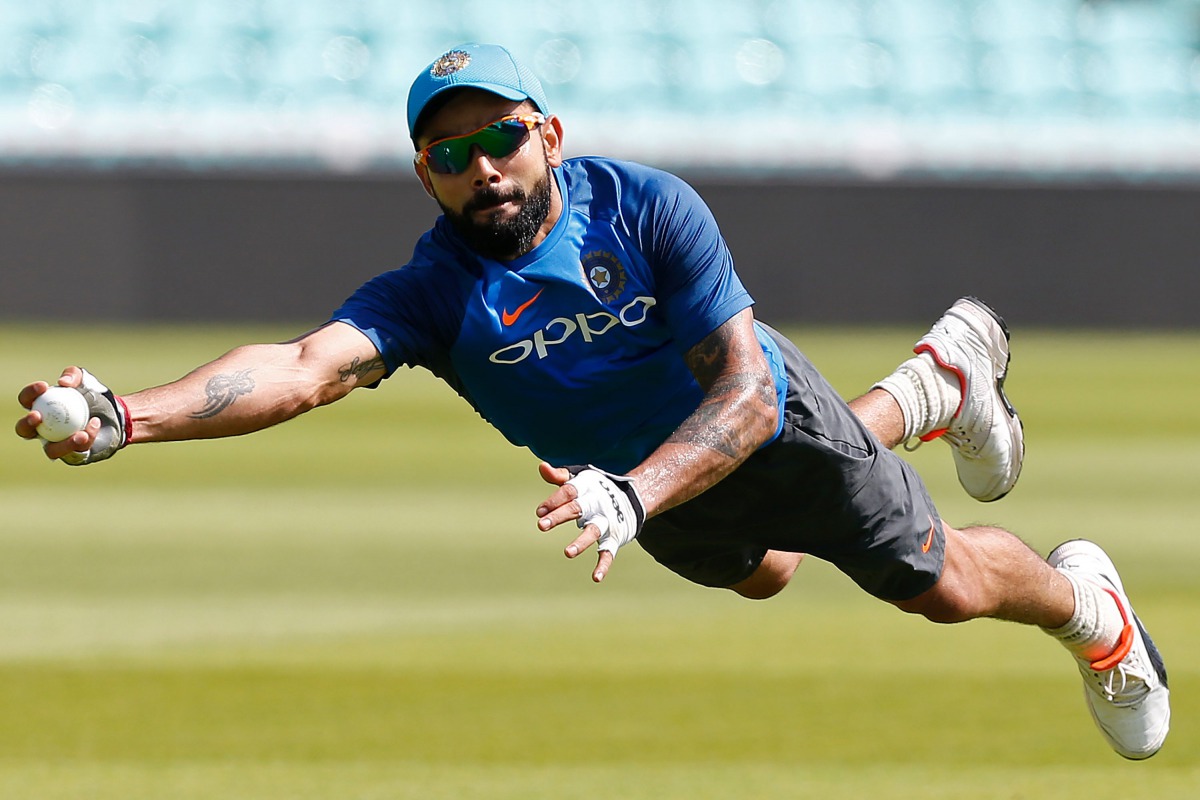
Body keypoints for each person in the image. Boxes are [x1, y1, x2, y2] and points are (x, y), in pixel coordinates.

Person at [14, 43, 1168, 760]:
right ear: (426, 174)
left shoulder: (646, 209)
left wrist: (638, 488)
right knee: (768, 568)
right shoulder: (431, 289)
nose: (484, 167)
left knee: (944, 587)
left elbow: (752, 393)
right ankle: (936, 383)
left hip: (738, 419)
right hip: (645, 487)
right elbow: (304, 365)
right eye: (452, 152)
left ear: (549, 134)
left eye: (503, 136)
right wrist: (131, 415)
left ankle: (1091, 608)